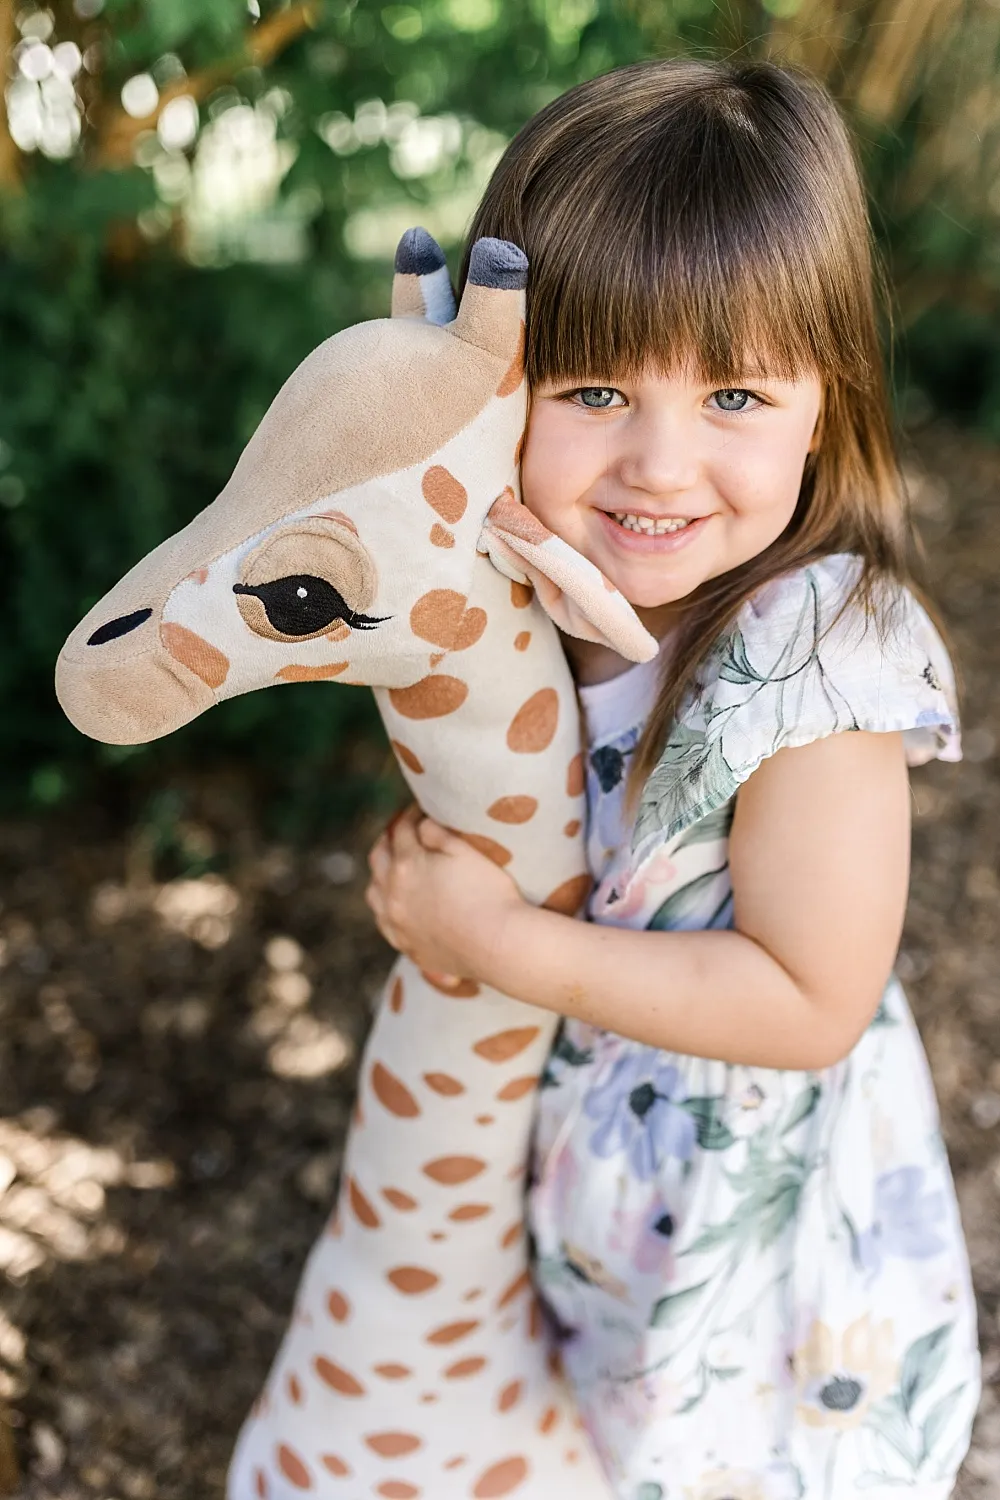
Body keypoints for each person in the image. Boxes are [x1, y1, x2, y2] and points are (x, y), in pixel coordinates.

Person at [364, 59, 980, 1500]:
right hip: (610, 1211)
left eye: (735, 393)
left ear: (824, 404)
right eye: (591, 386)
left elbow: (809, 999)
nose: (660, 461)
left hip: (760, 1281)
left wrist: (497, 945)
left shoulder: (813, 665)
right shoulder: (541, 590)